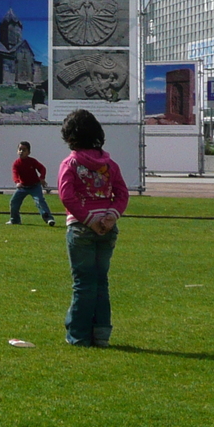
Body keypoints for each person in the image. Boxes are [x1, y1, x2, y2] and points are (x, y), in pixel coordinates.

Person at [57, 109, 129, 348]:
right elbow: (122, 193)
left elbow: (67, 197)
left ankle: (78, 335)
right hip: (108, 228)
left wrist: (88, 220)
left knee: (83, 283)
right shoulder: (109, 164)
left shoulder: (71, 164)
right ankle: (101, 334)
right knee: (101, 281)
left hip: (81, 227)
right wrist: (110, 216)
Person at [9, 140, 55, 226]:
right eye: (20, 149)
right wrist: (17, 182)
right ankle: (15, 220)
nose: (21, 152)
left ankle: (49, 219)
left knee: (40, 201)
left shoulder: (32, 161)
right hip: (22, 187)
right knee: (14, 202)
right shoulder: (16, 164)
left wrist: (42, 178)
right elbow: (15, 173)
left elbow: (42, 169)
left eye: (24, 150)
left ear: (29, 152)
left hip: (35, 186)